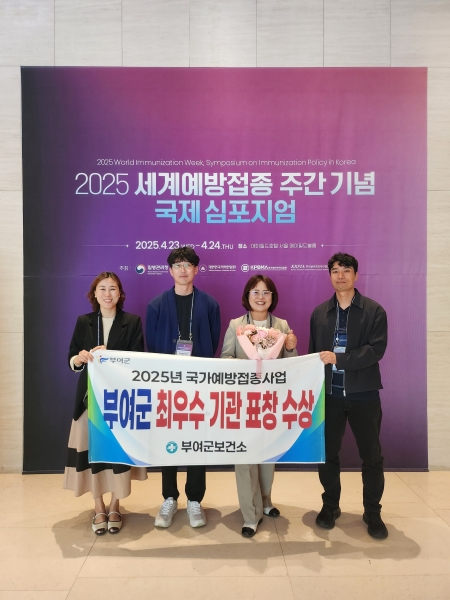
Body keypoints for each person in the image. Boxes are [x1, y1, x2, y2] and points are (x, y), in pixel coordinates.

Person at [309, 253, 388, 539]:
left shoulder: (374, 311)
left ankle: (373, 512)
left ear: (356, 274)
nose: (340, 275)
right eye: (335, 271)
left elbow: (376, 350)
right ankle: (330, 506)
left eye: (346, 270)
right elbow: (314, 355)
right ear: (329, 275)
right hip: (330, 396)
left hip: (363, 394)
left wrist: (339, 359)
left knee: (372, 456)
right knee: (327, 454)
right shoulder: (320, 312)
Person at [64, 271, 147, 535]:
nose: (107, 294)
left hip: (119, 400)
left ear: (120, 294)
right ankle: (98, 506)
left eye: (113, 288)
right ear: (94, 294)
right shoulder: (84, 321)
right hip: (88, 398)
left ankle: (114, 506)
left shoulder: (132, 321)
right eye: (102, 288)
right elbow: (72, 357)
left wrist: (111, 356)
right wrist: (79, 358)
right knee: (92, 454)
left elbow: (138, 359)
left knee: (116, 454)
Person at [146, 247, 221, 528]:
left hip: (199, 383)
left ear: (196, 270)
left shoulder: (210, 304)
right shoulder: (156, 305)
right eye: (177, 265)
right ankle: (169, 497)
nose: (183, 269)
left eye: (188, 264)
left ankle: (194, 499)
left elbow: (213, 341)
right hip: (168, 384)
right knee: (169, 440)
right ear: (170, 271)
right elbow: (152, 346)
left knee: (196, 441)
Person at [221, 274, 298, 537]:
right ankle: (250, 515)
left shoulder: (282, 325)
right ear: (247, 296)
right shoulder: (236, 325)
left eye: (266, 292)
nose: (261, 297)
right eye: (255, 292)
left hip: (271, 402)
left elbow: (291, 364)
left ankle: (265, 501)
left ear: (272, 297)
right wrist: (250, 365)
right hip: (242, 402)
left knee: (267, 455)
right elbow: (225, 358)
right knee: (244, 458)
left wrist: (291, 347)